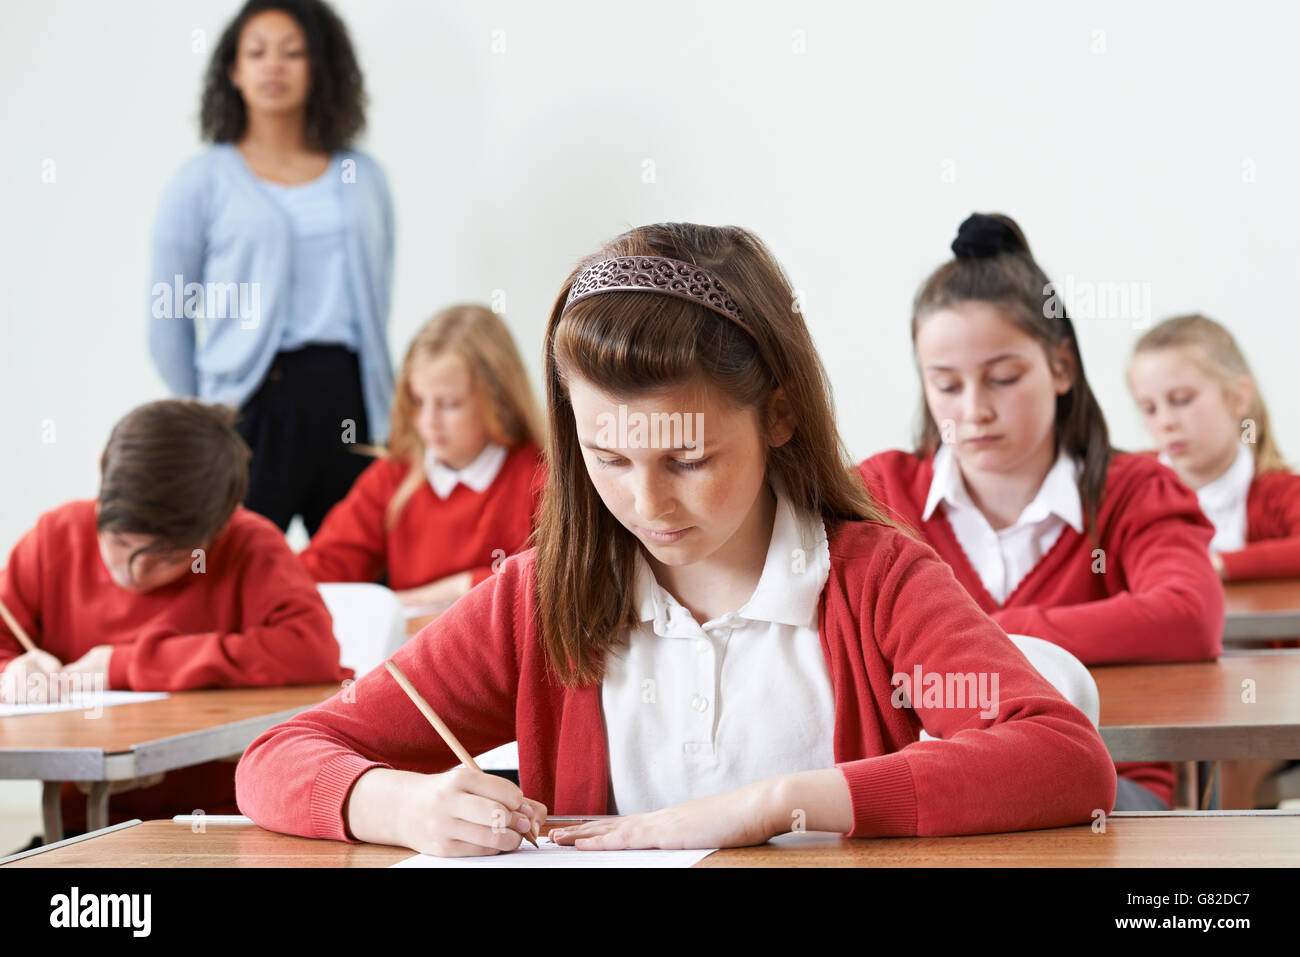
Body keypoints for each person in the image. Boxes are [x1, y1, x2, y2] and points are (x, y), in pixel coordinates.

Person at [236, 222, 1115, 857]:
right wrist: (394, 804)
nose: (647, 502)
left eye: (689, 457)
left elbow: (1066, 759)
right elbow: (277, 757)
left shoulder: (874, 581)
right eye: (607, 456)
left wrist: (774, 806)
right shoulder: (542, 597)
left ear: (777, 414)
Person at [859, 213, 1223, 811]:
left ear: (1061, 367)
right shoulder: (877, 493)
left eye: (1002, 378)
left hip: (1099, 788)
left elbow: (1189, 614)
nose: (974, 410)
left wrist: (971, 636)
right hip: (927, 795)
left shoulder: (1134, 489)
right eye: (946, 385)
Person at [0, 399, 349, 835]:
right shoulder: (56, 538)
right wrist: (12, 670)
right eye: (121, 541)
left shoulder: (249, 545)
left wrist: (123, 665)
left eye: (167, 556)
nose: (136, 570)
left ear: (219, 525)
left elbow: (310, 650)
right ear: (102, 471)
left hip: (225, 829)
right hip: (82, 832)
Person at [148, 0, 394, 534]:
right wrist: (208, 408)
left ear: (320, 66)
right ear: (233, 71)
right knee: (232, 567)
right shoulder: (202, 182)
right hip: (247, 405)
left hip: (345, 396)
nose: (273, 66)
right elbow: (167, 315)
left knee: (359, 574)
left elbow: (377, 304)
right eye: (256, 52)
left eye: (293, 52)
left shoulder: (364, 178)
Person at [299, 305, 546, 608]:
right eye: (417, 401)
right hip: (409, 654)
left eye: (449, 404)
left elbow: (553, 581)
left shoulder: (540, 476)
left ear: (498, 400)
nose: (428, 421)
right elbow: (320, 568)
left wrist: (442, 593)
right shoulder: (393, 476)